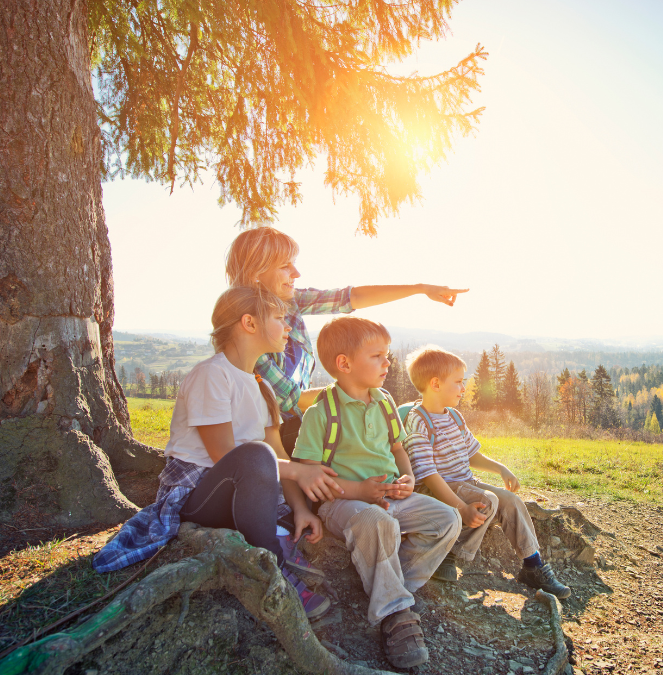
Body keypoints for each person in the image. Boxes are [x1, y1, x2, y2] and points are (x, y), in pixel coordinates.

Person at [93, 286, 342, 619]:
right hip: (201, 493)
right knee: (256, 457)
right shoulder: (212, 375)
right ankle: (272, 570)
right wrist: (296, 471)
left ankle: (282, 532)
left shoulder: (262, 387)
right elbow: (225, 455)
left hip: (248, 490)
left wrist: (300, 507)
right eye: (281, 319)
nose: (289, 328)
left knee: (298, 480)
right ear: (249, 323)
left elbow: (277, 451)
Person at [292, 316, 460, 669]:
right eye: (378, 356)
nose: (388, 362)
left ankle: (394, 589)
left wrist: (408, 478)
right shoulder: (322, 413)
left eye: (387, 355)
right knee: (376, 520)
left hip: (391, 497)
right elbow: (301, 475)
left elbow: (398, 449)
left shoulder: (384, 402)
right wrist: (358, 490)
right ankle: (397, 616)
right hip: (344, 504)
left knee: (447, 519)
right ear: (344, 364)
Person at [224, 226, 467, 454]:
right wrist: (358, 389)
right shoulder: (249, 329)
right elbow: (287, 401)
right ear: (257, 274)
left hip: (296, 425)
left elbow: (348, 298)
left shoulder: (290, 302)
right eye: (285, 266)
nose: (296, 273)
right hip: (268, 439)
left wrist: (420, 288)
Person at [401, 345, 571, 599]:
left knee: (511, 501)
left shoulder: (455, 417)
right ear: (435, 384)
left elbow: (471, 453)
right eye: (458, 382)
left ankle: (532, 564)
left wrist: (500, 468)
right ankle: (449, 554)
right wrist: (460, 508)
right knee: (486, 501)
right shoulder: (419, 421)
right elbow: (427, 474)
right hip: (438, 489)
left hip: (466, 483)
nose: (463, 388)